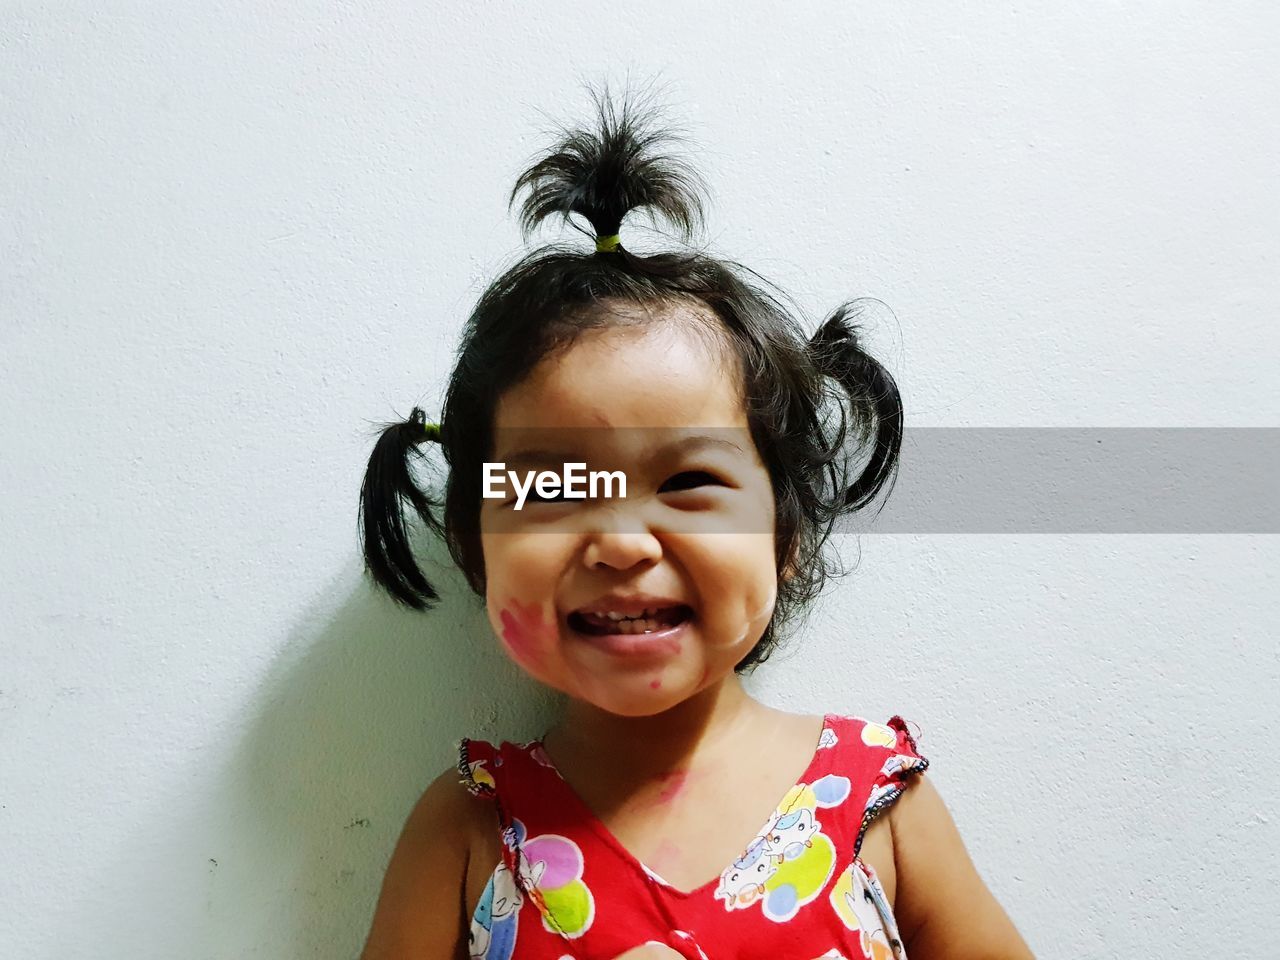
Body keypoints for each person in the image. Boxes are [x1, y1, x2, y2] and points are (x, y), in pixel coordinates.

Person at [356, 83, 1034, 960]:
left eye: (686, 481)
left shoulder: (877, 801)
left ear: (786, 536)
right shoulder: (470, 825)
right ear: (476, 542)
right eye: (552, 491)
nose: (623, 542)